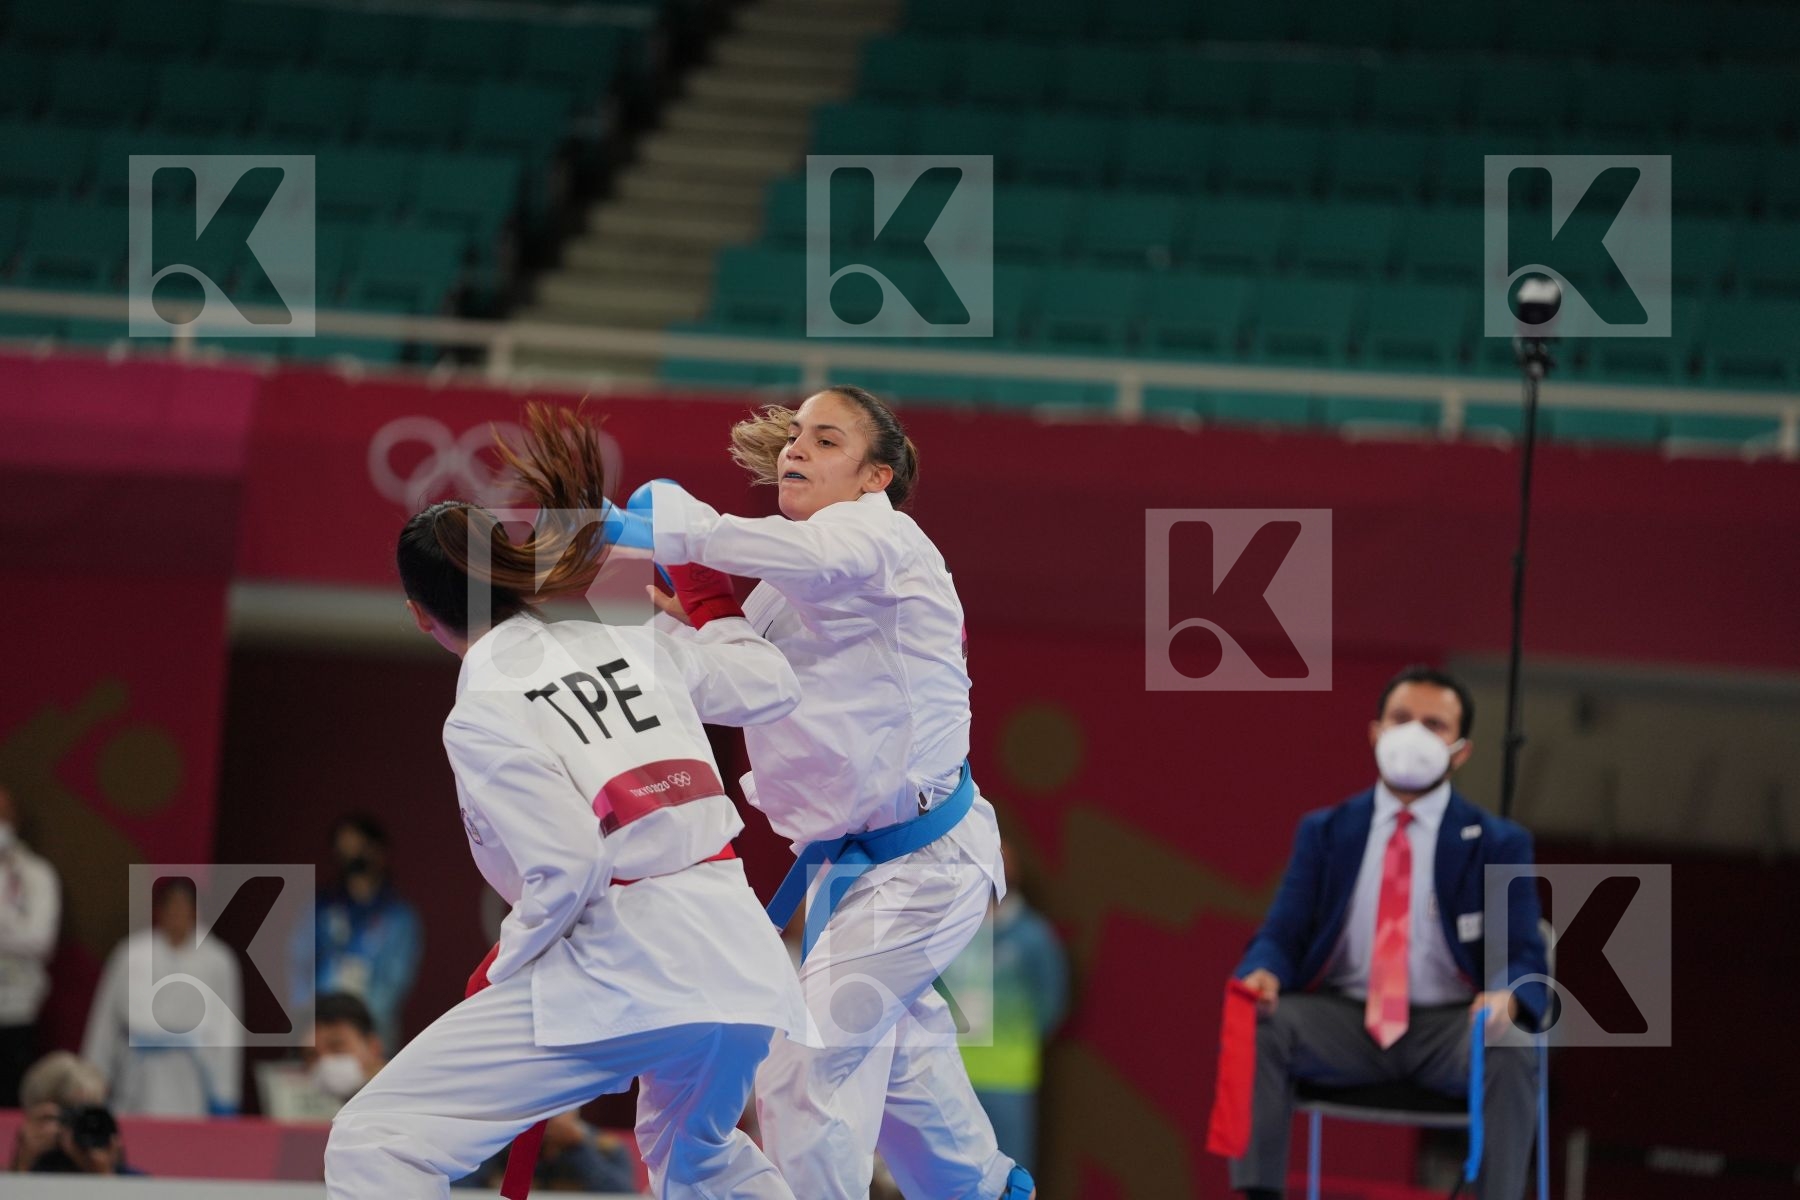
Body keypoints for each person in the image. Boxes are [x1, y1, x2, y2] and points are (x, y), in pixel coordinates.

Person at [325, 403, 809, 1200]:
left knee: (378, 1143)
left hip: (625, 966)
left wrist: (503, 965)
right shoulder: (622, 630)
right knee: (701, 1158)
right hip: (741, 962)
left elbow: (570, 864)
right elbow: (771, 684)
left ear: (421, 617)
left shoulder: (481, 707)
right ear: (512, 568)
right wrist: (702, 593)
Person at [641, 385, 1035, 1200]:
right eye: (794, 437)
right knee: (906, 1086)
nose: (794, 451)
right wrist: (703, 620)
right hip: (855, 875)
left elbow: (825, 559)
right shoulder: (783, 582)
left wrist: (687, 530)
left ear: (874, 478)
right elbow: (743, 690)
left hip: (923, 864)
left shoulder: (885, 540)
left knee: (804, 1061)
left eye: (825, 441)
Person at [1229, 665, 1549, 1200]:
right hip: (1346, 1022)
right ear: (1375, 731)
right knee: (1260, 1021)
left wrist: (1508, 998)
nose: (1414, 735)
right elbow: (1283, 932)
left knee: (1512, 1043)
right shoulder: (1326, 831)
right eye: (1401, 719)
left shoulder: (1497, 842)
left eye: (1434, 725)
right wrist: (1261, 972)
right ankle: (1258, 1193)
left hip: (1450, 1029)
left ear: (1461, 750)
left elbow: (1523, 951)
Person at [943, 838, 1069, 1175]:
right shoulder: (947, 930)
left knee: (1010, 1174)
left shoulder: (1033, 936)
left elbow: (1051, 1003)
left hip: (1008, 1078)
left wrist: (1015, 1042)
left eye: (1002, 863)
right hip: (948, 1075)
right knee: (947, 1176)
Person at [81, 876, 243, 1117]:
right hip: (137, 1072)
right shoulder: (130, 953)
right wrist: (92, 1076)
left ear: (196, 911)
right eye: (172, 906)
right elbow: (105, 1021)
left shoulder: (218, 959)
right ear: (160, 910)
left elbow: (228, 1029)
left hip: (191, 1075)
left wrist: (226, 1092)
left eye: (184, 906)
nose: (178, 913)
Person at [294, 814, 423, 1052]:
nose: (352, 857)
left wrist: (356, 1025)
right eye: (344, 850)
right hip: (320, 1025)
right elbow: (298, 964)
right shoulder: (320, 907)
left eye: (359, 848)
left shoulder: (399, 917)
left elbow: (394, 982)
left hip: (371, 1031)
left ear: (378, 851)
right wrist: (310, 1015)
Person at [0, 783, 61, 1108]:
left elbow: (40, 940)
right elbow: (23, 937)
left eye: (3, 814)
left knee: (11, 1103)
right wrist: (12, 930)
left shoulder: (37, 874)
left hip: (17, 1009)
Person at [261, 992, 389, 1122]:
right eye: (311, 1055)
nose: (324, 1061)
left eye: (337, 1046)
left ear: (374, 1046)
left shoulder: (404, 1107)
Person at [9, 1051, 105, 1172]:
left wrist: (102, 1173)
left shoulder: (117, 1168)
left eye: (81, 1119)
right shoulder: (16, 1166)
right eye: (60, 1118)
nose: (67, 1130)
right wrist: (23, 1163)